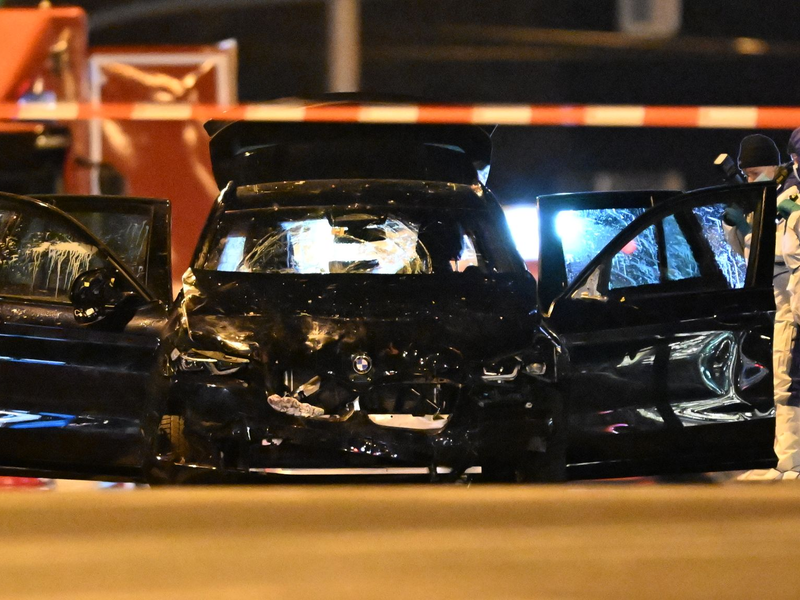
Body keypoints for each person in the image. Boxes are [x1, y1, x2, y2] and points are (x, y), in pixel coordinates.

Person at [728, 134, 800, 480]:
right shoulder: (774, 195)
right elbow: (749, 254)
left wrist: (747, 226)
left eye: (755, 173)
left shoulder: (789, 195)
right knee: (786, 385)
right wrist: (738, 225)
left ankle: (791, 464)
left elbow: (777, 254)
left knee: (789, 383)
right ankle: (787, 462)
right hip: (784, 304)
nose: (751, 180)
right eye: (746, 175)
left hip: (791, 301)